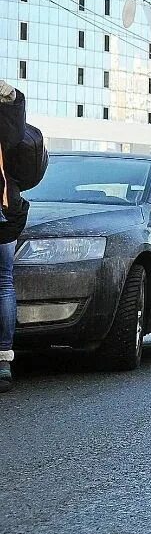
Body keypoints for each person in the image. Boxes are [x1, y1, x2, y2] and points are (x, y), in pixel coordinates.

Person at [0, 81, 35, 393]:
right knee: (3, 282)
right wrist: (10, 97)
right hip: (3, 204)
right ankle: (2, 364)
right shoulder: (7, 109)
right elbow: (15, 137)